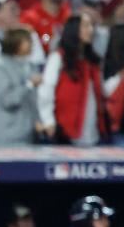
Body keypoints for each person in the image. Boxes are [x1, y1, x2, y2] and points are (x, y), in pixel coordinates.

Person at [38, 13, 106, 146]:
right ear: (74, 30)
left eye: (91, 26)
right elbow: (46, 91)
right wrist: (48, 120)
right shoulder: (58, 58)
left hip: (92, 134)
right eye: (86, 26)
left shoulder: (92, 62)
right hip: (66, 134)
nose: (90, 30)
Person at [0, 27, 42, 145]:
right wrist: (29, 84)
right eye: (28, 40)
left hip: (27, 134)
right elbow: (8, 100)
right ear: (16, 42)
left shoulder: (29, 65)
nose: (32, 44)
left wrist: (37, 120)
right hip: (6, 135)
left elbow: (32, 99)